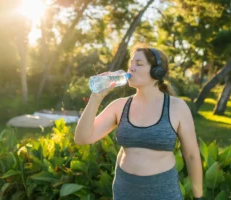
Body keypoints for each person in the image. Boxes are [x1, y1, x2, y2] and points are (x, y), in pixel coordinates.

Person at [74, 44, 204, 200]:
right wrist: (96, 98)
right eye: (130, 64)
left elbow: (191, 155)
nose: (131, 68)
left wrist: (199, 197)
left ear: (157, 71)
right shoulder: (120, 106)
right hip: (125, 192)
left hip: (163, 193)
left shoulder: (176, 107)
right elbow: (82, 138)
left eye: (139, 64)